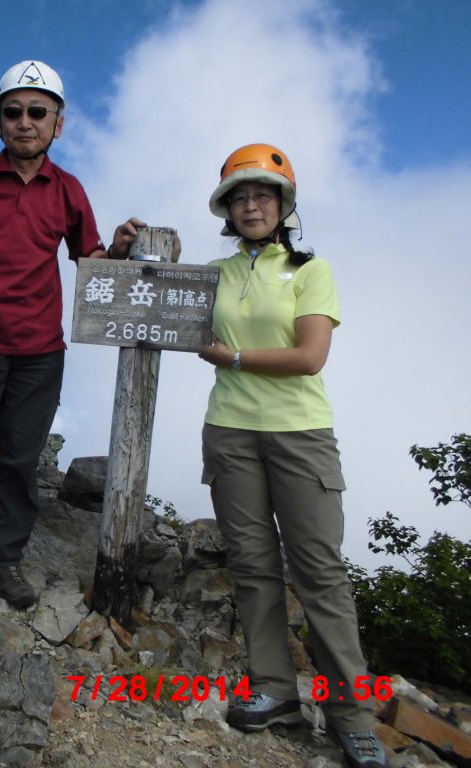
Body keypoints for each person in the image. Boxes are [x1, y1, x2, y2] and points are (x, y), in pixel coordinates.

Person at [0, 60, 148, 610]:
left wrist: (116, 249)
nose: (26, 122)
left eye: (37, 112)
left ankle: (2, 560)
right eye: (13, 112)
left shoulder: (68, 190)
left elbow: (88, 258)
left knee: (22, 461)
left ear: (58, 123)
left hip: (40, 352)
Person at [197, 143, 386, 768]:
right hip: (229, 430)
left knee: (319, 574)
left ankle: (352, 718)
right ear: (227, 209)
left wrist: (238, 358)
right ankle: (275, 691)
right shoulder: (218, 273)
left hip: (300, 433)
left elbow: (310, 356)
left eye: (263, 195)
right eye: (240, 197)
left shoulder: (310, 269)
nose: (251, 205)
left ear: (283, 205)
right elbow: (150, 293)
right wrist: (120, 250)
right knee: (252, 567)